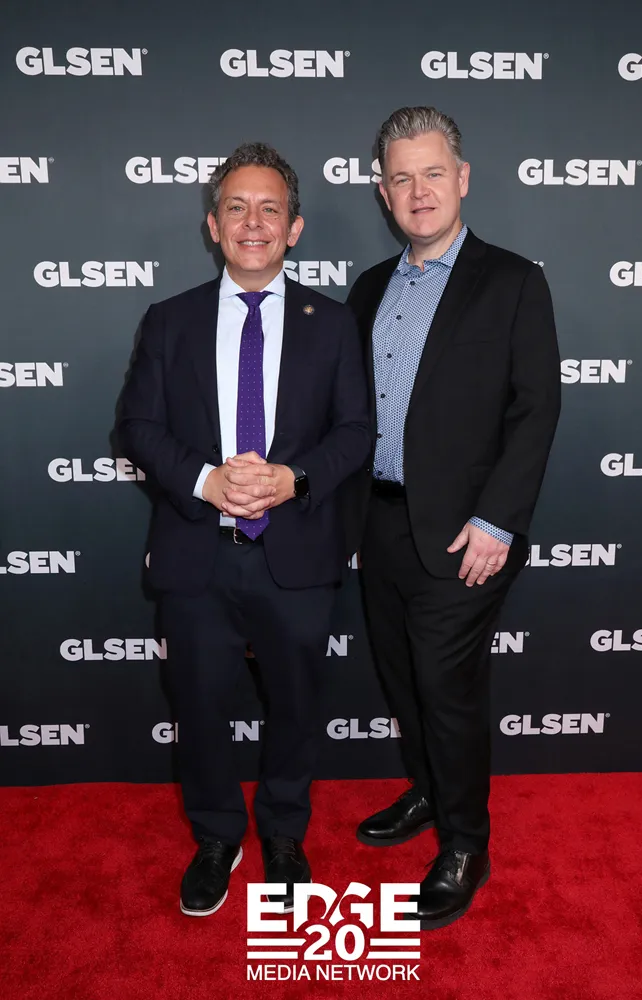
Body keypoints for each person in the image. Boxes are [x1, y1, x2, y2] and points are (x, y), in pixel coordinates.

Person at [117, 142, 370, 917]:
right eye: (236, 207)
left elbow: (355, 431)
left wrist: (294, 479)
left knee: (294, 706)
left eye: (269, 209)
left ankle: (284, 833)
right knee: (197, 706)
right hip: (196, 554)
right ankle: (216, 836)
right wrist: (206, 481)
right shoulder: (169, 321)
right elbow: (136, 428)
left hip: (296, 555)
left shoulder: (332, 323)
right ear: (212, 224)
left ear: (293, 228)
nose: (252, 222)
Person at [346, 107, 561, 930]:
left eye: (432, 173)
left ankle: (466, 842)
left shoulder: (511, 281)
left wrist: (497, 523)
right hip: (378, 524)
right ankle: (429, 793)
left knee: (446, 690)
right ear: (382, 192)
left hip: (465, 533)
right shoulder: (369, 288)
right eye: (400, 177)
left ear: (462, 178)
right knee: (402, 680)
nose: (418, 191)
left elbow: (535, 409)